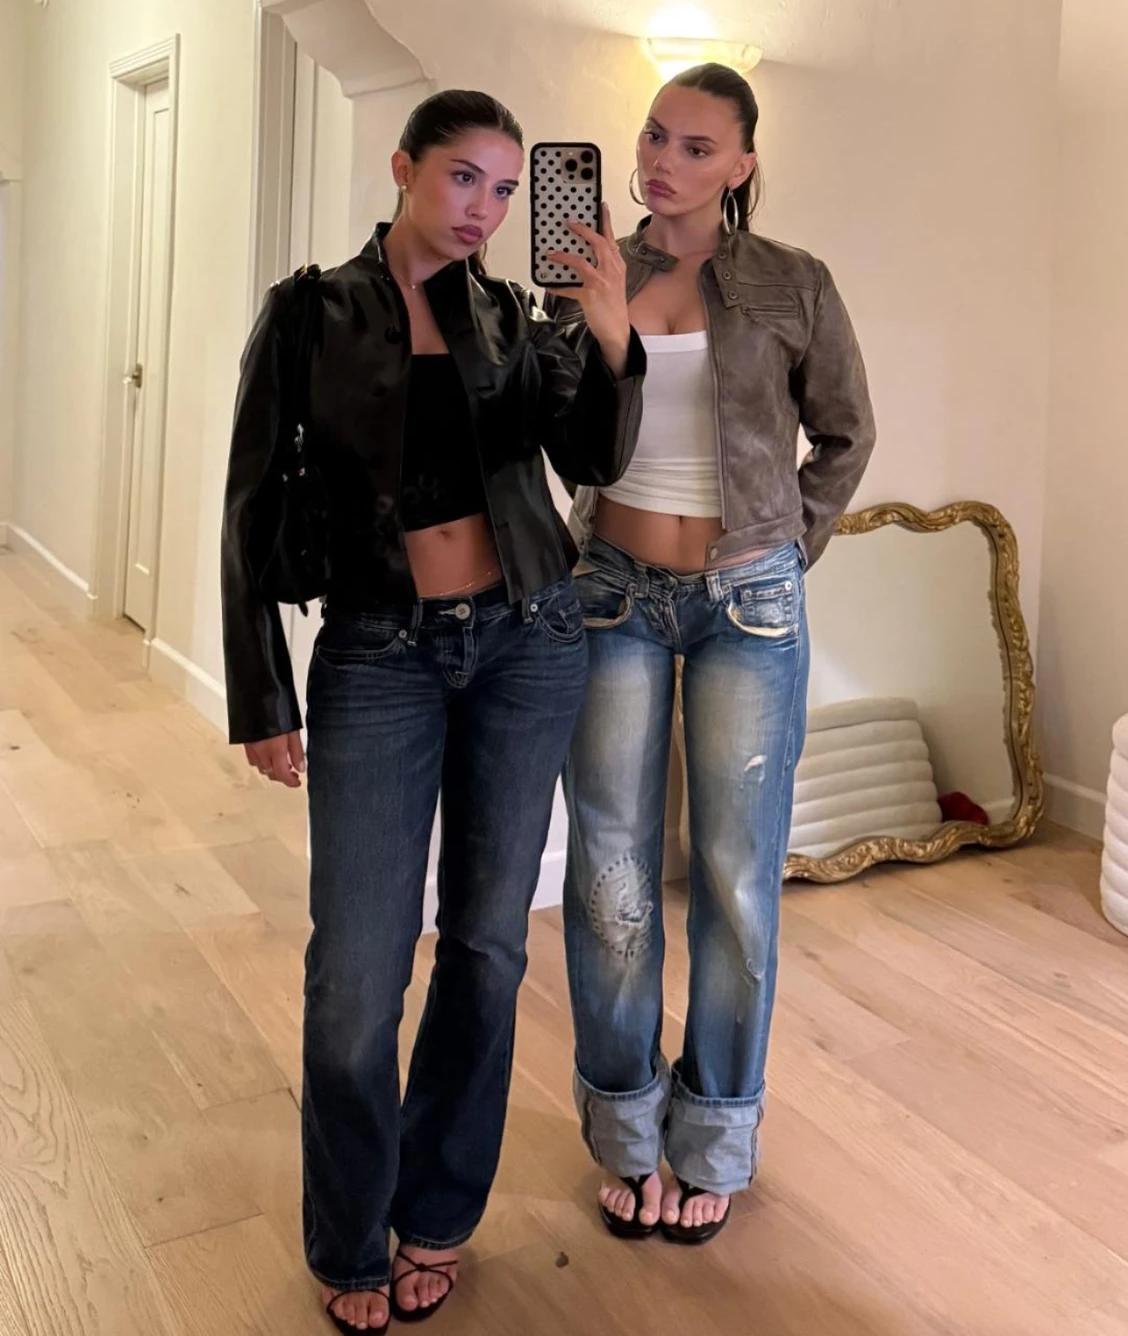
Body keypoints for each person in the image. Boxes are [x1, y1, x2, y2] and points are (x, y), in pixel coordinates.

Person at [220, 89, 644, 1331]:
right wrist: (261, 688)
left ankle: (440, 1211)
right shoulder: (309, 311)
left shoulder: (515, 315)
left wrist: (609, 333)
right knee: (357, 966)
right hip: (378, 654)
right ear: (405, 167)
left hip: (529, 640)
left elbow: (591, 459)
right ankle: (349, 1229)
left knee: (487, 946)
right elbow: (249, 501)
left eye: (506, 189)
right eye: (465, 177)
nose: (485, 209)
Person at [548, 64, 875, 1247]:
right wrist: (591, 327)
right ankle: (627, 1130)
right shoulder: (592, 270)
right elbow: (560, 434)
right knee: (613, 875)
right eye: (653, 136)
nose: (662, 160)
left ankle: (717, 1134)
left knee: (736, 881)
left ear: (741, 163)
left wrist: (784, 548)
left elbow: (845, 432)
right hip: (611, 592)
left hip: (747, 601)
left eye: (695, 146)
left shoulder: (793, 280)